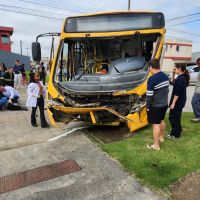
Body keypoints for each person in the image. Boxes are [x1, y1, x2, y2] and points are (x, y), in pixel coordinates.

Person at [146, 58, 169, 150]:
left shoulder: (152, 79)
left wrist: (147, 106)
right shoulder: (165, 76)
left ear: (151, 67)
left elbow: (149, 95)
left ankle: (156, 145)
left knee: (155, 124)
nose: (148, 70)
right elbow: (167, 90)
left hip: (155, 106)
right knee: (161, 120)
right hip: (164, 104)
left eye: (149, 68)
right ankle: (161, 137)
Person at [168, 64, 190, 138]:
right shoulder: (181, 77)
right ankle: (178, 129)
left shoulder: (180, 79)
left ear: (179, 69)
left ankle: (175, 134)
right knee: (177, 116)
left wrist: (173, 103)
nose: (174, 70)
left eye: (175, 69)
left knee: (173, 117)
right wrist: (173, 74)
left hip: (178, 101)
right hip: (180, 101)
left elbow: (177, 93)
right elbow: (173, 83)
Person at [191, 58, 200, 122]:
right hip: (197, 88)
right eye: (197, 63)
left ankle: (198, 116)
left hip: (199, 89)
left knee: (194, 101)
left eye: (198, 63)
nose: (197, 65)